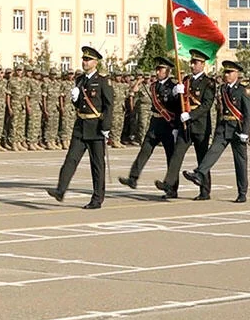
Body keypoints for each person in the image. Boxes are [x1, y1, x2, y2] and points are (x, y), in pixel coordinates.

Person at [47, 46, 114, 209]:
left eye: (88, 59)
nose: (84, 62)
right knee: (71, 159)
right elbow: (80, 104)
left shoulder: (103, 80)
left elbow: (109, 105)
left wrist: (106, 127)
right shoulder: (80, 80)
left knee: (97, 165)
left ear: (95, 62)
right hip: (81, 126)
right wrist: (75, 99)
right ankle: (60, 190)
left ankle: (97, 199)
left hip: (96, 127)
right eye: (83, 59)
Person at [183, 60, 250, 203]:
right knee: (212, 152)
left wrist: (246, 132)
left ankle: (242, 192)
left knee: (240, 162)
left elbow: (249, 113)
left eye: (229, 72)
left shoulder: (244, 90)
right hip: (223, 127)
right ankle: (199, 173)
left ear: (236, 74)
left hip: (237, 129)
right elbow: (220, 110)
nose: (226, 75)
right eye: (225, 72)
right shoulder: (222, 89)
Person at [156, 49, 215, 200]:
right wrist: (176, 94)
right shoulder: (186, 80)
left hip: (200, 124)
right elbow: (178, 105)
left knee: (202, 159)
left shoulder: (209, 83)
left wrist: (191, 115)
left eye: (196, 62)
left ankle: (205, 191)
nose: (193, 65)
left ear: (203, 64)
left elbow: (207, 104)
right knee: (177, 154)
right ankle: (169, 184)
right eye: (192, 62)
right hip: (184, 125)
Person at [119, 56, 181, 191]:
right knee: (144, 150)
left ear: (168, 71)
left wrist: (176, 126)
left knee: (171, 157)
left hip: (168, 125)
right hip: (155, 123)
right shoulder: (153, 86)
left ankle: (172, 187)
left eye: (161, 69)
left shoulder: (174, 86)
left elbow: (177, 108)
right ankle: (133, 178)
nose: (158, 72)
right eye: (157, 69)